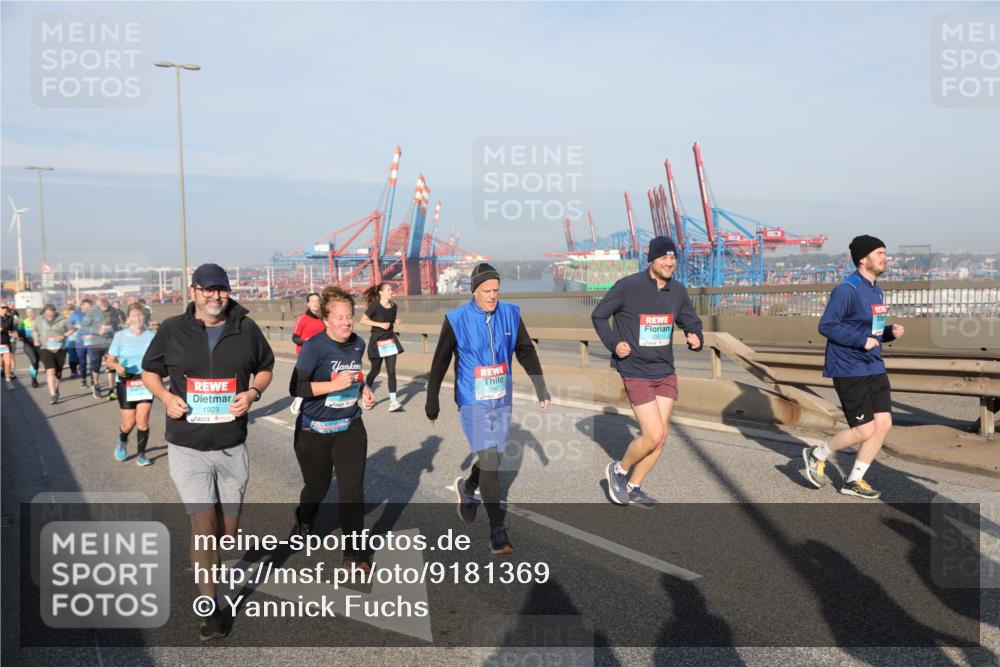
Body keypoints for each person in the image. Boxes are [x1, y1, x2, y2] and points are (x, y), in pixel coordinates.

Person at [141, 263, 274, 640]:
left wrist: (252, 393)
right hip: (187, 445)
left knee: (226, 534)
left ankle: (214, 556)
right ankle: (209, 608)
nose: (216, 296)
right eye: (208, 289)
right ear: (194, 291)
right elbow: (149, 371)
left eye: (222, 290)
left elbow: (265, 368)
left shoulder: (246, 328)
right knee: (204, 529)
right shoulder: (172, 329)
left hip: (231, 446)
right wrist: (165, 397)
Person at [425, 263, 550, 555]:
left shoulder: (511, 314)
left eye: (496, 290)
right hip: (472, 399)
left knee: (495, 457)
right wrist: (432, 400)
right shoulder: (457, 320)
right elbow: (440, 361)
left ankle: (468, 487)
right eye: (486, 291)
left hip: (501, 398)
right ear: (474, 291)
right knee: (491, 459)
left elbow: (525, 350)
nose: (492, 296)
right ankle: (497, 530)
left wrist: (540, 386)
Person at [591, 236, 704, 507]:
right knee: (652, 434)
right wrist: (614, 343)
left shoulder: (677, 291)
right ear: (651, 260)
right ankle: (618, 470)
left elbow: (690, 320)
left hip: (665, 371)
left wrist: (695, 336)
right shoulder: (628, 286)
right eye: (664, 257)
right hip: (636, 370)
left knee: (660, 437)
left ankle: (634, 486)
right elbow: (599, 315)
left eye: (673, 258)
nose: (669, 262)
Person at [803, 235, 904, 499]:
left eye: (885, 253)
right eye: (880, 253)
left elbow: (874, 332)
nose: (885, 258)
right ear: (862, 258)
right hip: (848, 367)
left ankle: (853, 481)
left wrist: (888, 333)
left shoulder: (876, 290)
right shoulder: (847, 289)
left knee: (883, 424)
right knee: (864, 429)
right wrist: (861, 340)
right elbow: (827, 326)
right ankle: (817, 454)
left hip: (873, 365)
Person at [288, 286, 376, 570]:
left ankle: (354, 554)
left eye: (349, 316)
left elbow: (355, 375)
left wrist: (364, 389)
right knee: (317, 487)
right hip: (314, 431)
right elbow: (296, 387)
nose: (346, 323)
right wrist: (332, 386)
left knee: (352, 492)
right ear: (326, 320)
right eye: (339, 317)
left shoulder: (358, 344)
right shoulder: (314, 347)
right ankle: (305, 516)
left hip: (350, 427)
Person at [108, 303, 157, 466]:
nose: (138, 318)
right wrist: (117, 367)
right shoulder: (120, 336)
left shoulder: (152, 336)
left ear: (145, 317)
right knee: (129, 423)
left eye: (141, 314)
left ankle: (141, 456)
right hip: (126, 381)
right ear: (128, 318)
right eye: (135, 315)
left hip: (145, 380)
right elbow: (110, 361)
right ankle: (122, 440)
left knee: (143, 420)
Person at [361, 282, 404, 411]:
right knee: (375, 370)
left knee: (392, 371)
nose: (391, 291)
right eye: (388, 289)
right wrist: (380, 325)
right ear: (381, 292)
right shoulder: (375, 306)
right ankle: (366, 394)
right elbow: (363, 320)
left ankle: (393, 402)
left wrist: (396, 320)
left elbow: (392, 318)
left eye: (391, 289)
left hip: (389, 341)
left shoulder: (394, 306)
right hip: (377, 341)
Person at [289, 292, 324, 415]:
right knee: (305, 379)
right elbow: (295, 338)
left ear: (320, 303)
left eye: (317, 301)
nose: (315, 303)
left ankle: (316, 403)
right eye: (312, 301)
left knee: (319, 378)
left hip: (320, 353)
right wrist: (307, 342)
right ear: (308, 304)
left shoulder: (324, 319)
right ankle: (298, 398)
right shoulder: (302, 319)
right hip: (305, 354)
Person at [82, 297, 122, 399]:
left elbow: (117, 325)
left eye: (106, 303)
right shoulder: (92, 311)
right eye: (102, 304)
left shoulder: (113, 311)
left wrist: (120, 333)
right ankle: (96, 386)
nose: (104, 306)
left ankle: (111, 389)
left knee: (111, 365)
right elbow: (84, 326)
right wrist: (97, 331)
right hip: (96, 343)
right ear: (98, 303)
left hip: (110, 342)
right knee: (96, 366)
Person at [34, 304, 75, 404]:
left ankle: (56, 389)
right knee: (50, 370)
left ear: (55, 312)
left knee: (58, 373)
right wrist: (36, 339)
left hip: (60, 349)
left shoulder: (63, 319)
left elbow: (71, 329)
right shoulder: (39, 319)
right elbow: (35, 330)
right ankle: (52, 395)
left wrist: (63, 336)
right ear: (44, 313)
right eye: (48, 315)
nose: (50, 317)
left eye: (52, 315)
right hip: (46, 348)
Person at [18, 308, 41, 388]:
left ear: (34, 313)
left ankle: (34, 377)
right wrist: (19, 336)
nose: (30, 314)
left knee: (36, 363)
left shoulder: (38, 321)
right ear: (27, 314)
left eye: (32, 312)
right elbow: (19, 333)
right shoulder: (23, 322)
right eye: (29, 313)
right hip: (28, 344)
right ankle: (33, 379)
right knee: (34, 361)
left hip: (38, 344)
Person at [72, 299, 92, 387]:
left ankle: (93, 381)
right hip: (80, 341)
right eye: (87, 306)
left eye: (89, 307)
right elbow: (67, 323)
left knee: (93, 362)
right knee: (82, 362)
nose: (88, 308)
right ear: (82, 306)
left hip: (92, 341)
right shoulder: (76, 315)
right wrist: (75, 325)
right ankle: (83, 380)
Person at [1, 304, 18, 390]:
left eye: (6, 307)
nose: (5, 309)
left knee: (8, 364)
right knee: (1, 363)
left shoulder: (10, 318)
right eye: (2, 307)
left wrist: (15, 334)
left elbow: (12, 329)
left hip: (5, 343)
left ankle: (8, 382)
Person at [63, 304, 81, 378]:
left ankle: (78, 368)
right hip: (69, 340)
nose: (72, 312)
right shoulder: (65, 318)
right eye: (70, 310)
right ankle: (73, 372)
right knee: (72, 357)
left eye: (73, 310)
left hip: (79, 340)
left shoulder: (79, 317)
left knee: (80, 356)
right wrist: (74, 326)